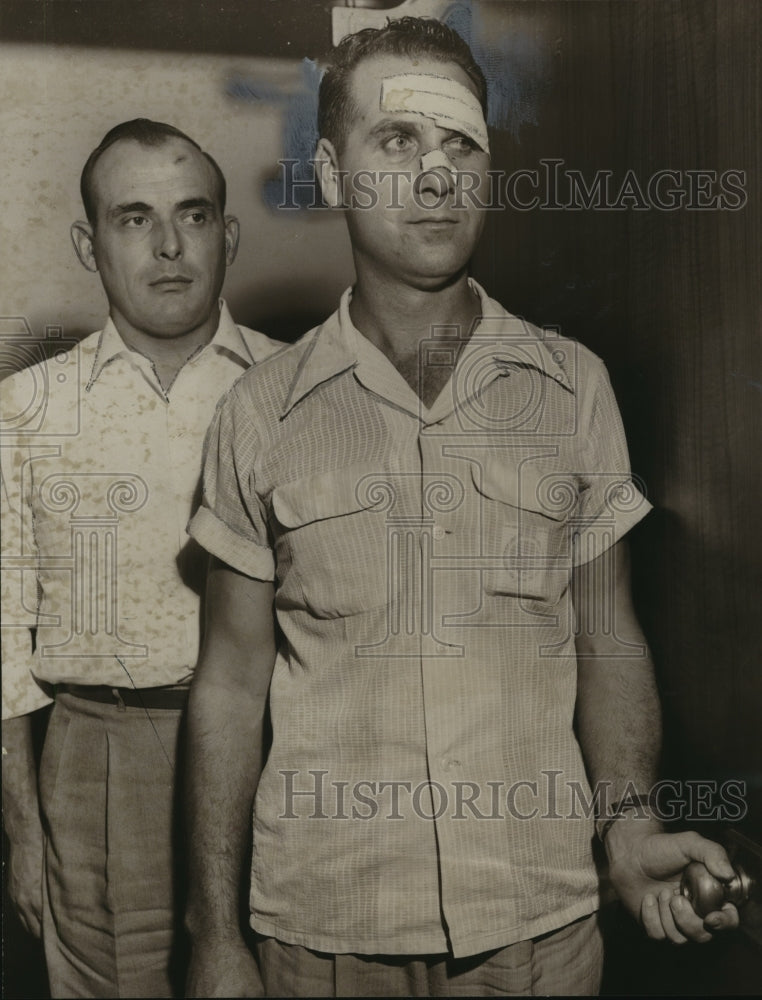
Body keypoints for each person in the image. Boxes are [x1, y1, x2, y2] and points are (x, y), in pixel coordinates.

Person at [184, 18, 739, 998]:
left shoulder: (572, 387)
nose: (437, 175)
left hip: (538, 931)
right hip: (324, 937)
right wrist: (216, 936)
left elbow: (608, 638)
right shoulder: (257, 413)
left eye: (461, 144)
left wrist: (630, 824)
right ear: (331, 171)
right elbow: (229, 686)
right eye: (398, 140)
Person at [0, 118, 281, 998]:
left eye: (192, 215)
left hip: (277, 753)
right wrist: (22, 827)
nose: (168, 246)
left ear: (228, 235)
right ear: (90, 246)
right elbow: (1, 631)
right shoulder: (26, 409)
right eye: (134, 219)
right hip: (99, 758)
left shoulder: (298, 389)